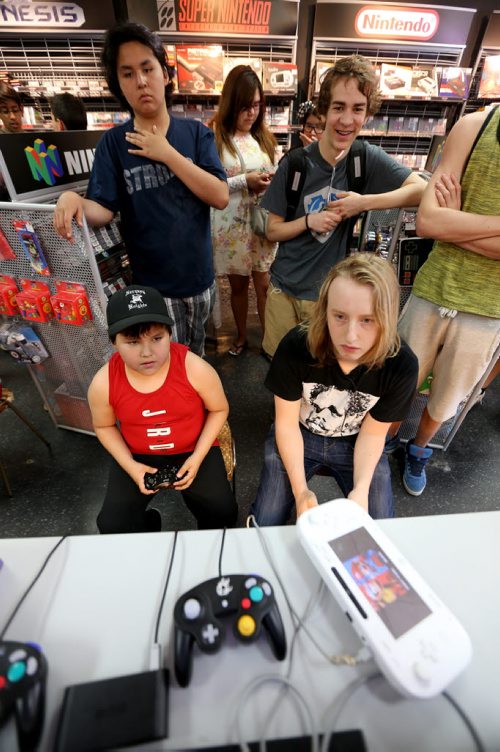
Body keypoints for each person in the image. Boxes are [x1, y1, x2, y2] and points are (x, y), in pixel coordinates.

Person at [53, 22, 228, 357]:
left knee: (196, 360)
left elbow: (219, 196)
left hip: (200, 278)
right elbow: (102, 210)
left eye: (148, 68)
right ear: (118, 84)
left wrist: (166, 154)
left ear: (165, 73)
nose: (142, 81)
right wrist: (74, 199)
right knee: (164, 366)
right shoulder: (113, 144)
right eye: (128, 73)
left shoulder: (195, 134)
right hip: (153, 287)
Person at [260, 55, 426, 359]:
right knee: (280, 364)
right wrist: (309, 221)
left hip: (330, 298)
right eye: (338, 107)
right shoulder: (296, 164)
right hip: (283, 290)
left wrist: (362, 203)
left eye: (357, 109)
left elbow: (420, 190)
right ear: (324, 110)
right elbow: (271, 230)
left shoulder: (366, 159)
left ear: (368, 112)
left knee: (318, 371)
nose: (347, 120)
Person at [250, 254, 418, 525]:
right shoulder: (296, 346)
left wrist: (361, 490)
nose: (351, 336)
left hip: (357, 439)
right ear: (324, 310)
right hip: (300, 432)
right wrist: (301, 491)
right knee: (266, 522)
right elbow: (285, 424)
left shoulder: (401, 365)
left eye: (367, 320)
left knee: (378, 524)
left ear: (387, 317)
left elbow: (374, 434)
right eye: (339, 316)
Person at [388, 105, 500, 496]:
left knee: (449, 395)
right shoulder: (475, 125)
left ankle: (418, 450)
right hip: (433, 288)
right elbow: (430, 222)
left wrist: (459, 223)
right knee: (398, 383)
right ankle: (382, 442)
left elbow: (443, 223)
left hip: (489, 308)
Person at [88, 284, 238, 533]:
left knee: (222, 511)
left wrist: (197, 457)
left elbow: (219, 410)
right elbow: (103, 426)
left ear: (170, 334)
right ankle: (148, 529)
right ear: (114, 343)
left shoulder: (195, 368)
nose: (147, 353)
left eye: (157, 338)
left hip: (192, 447)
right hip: (137, 454)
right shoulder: (103, 383)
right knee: (112, 524)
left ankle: (206, 543)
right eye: (132, 342)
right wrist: (130, 465)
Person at [210, 66, 278, 356]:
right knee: (238, 286)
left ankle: (268, 339)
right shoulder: (215, 137)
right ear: (231, 103)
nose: (251, 113)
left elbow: (274, 170)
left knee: (264, 285)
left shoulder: (264, 137)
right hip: (231, 227)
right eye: (245, 106)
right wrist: (244, 181)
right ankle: (240, 335)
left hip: (261, 223)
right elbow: (210, 184)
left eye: (256, 105)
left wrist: (271, 181)